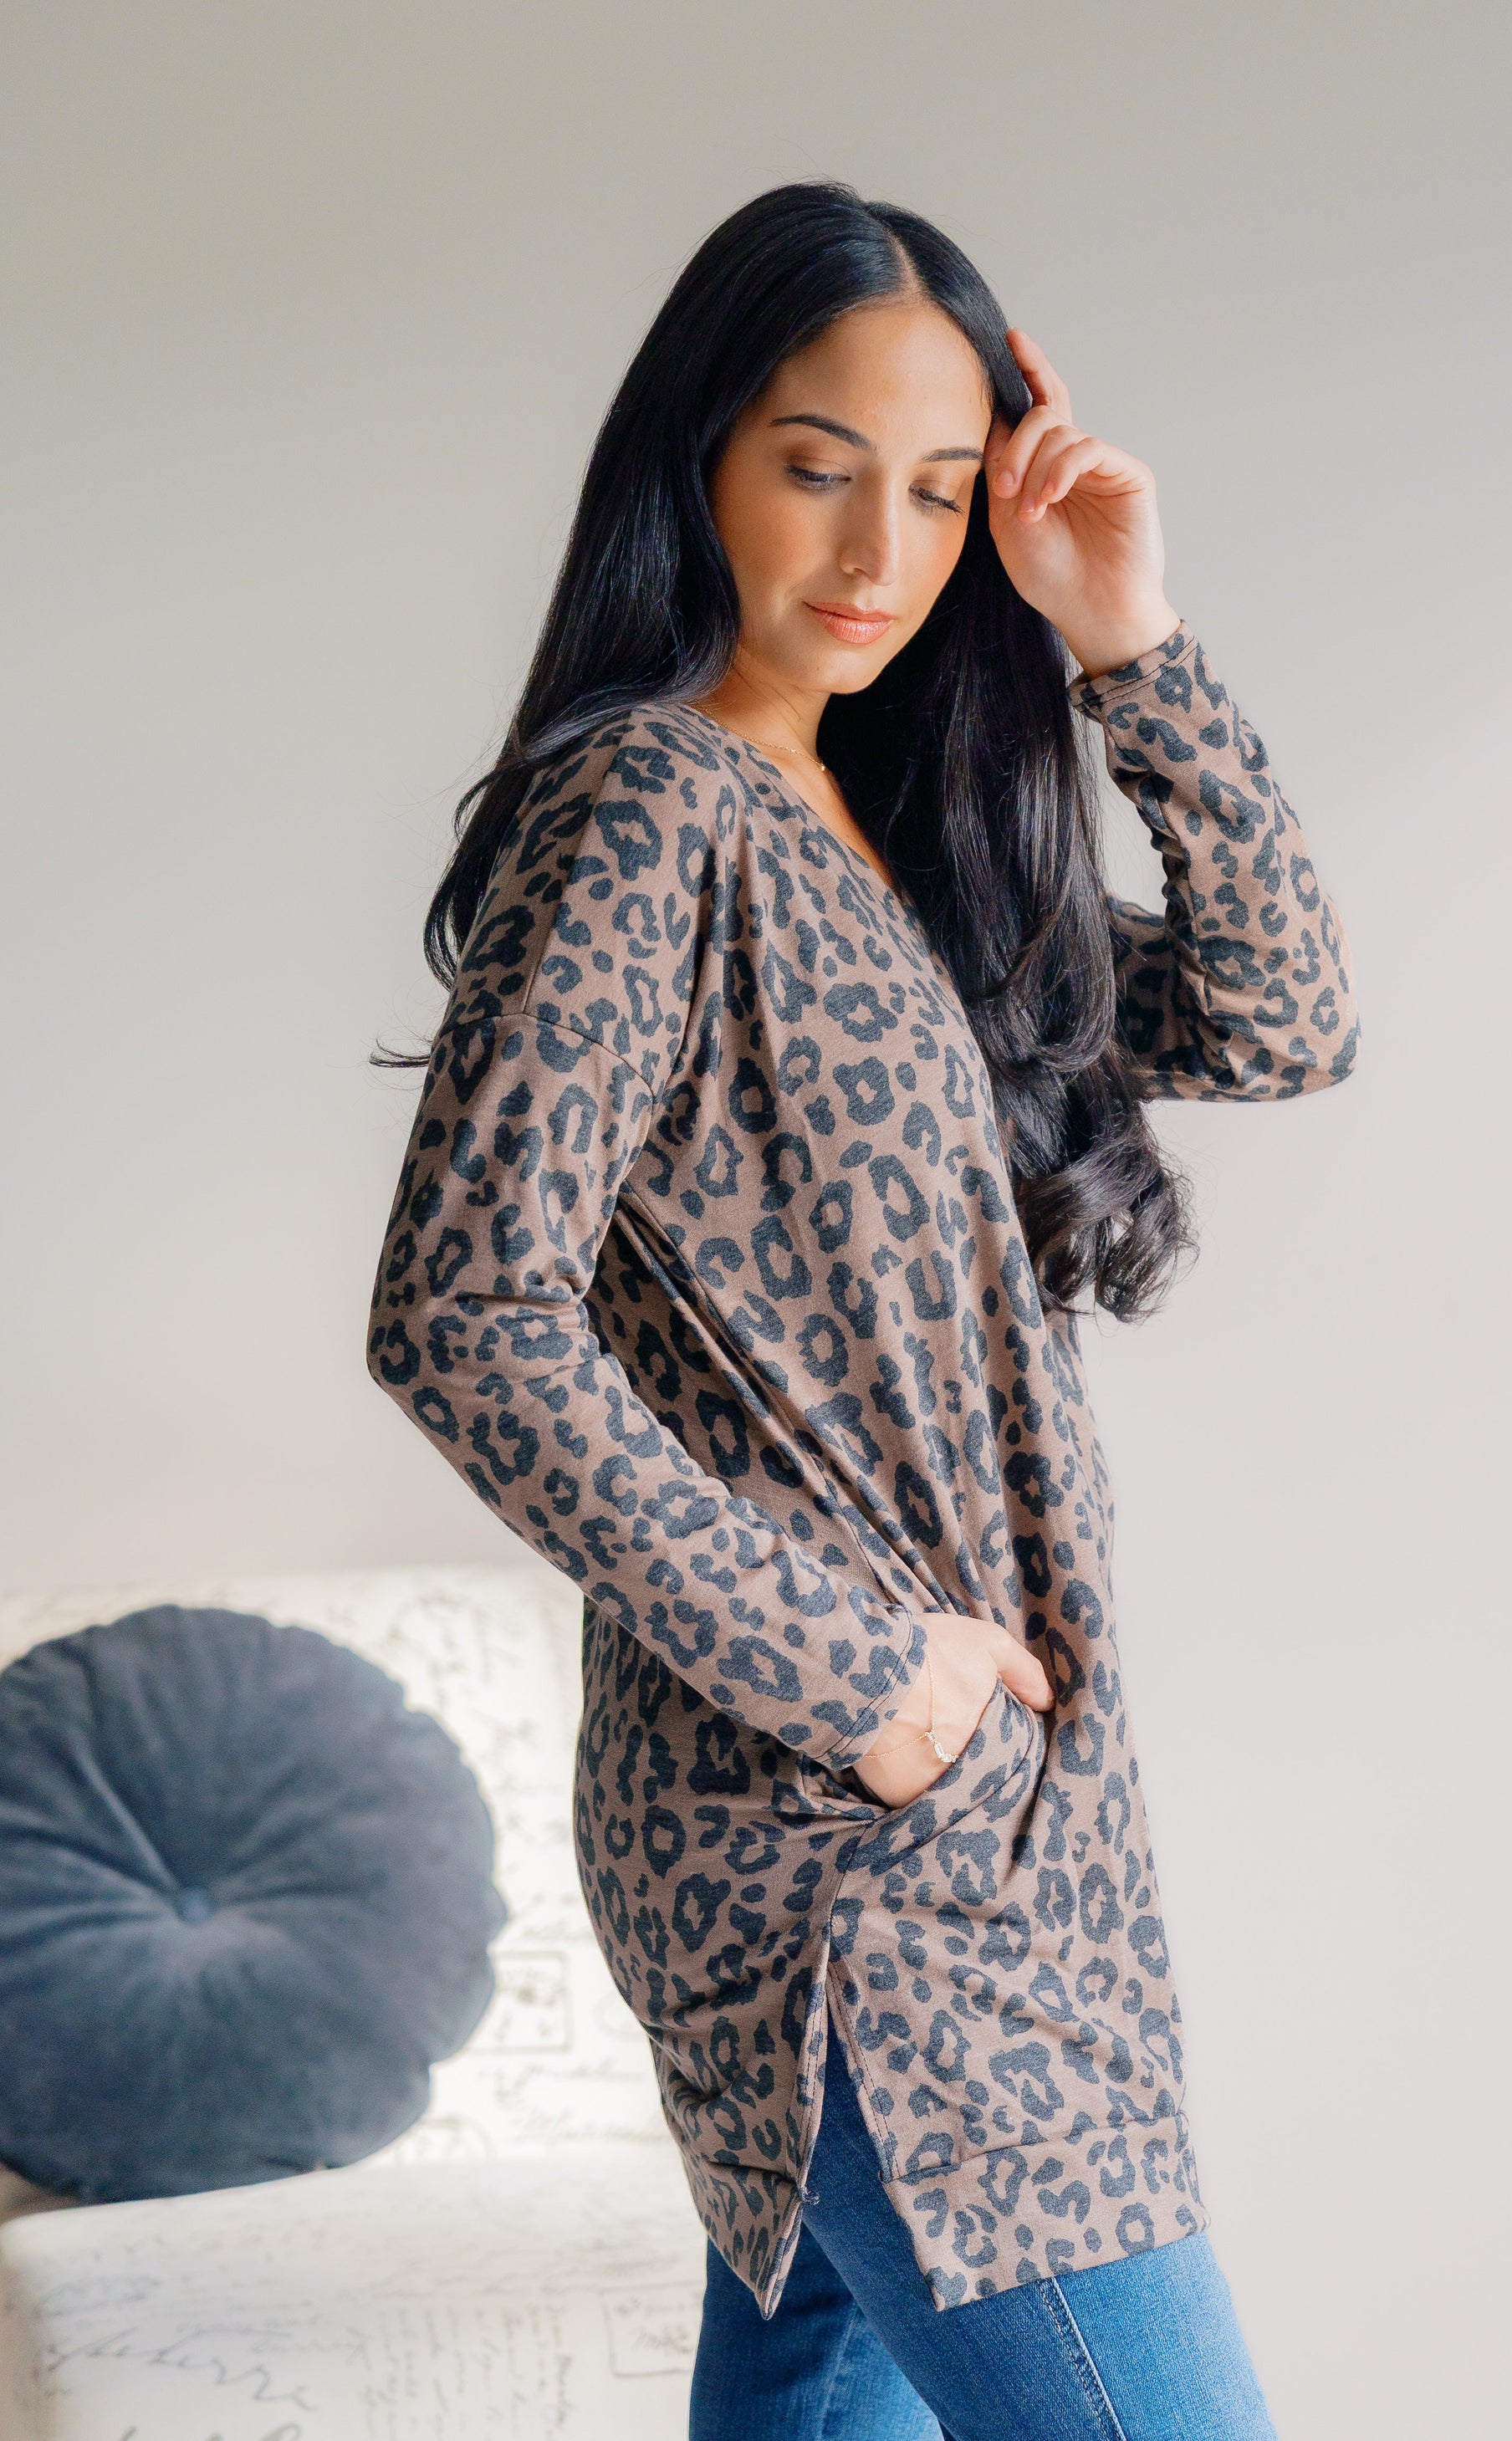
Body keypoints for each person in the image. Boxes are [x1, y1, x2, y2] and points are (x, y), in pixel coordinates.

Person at [365, 181, 1358, 2440]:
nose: (876, 549)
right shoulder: (648, 809)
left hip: (1005, 1828)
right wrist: (865, 1678)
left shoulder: (903, 840)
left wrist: (1129, 640)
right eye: (818, 466)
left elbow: (1282, 1016)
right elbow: (465, 1311)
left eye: (932, 488)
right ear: (697, 458)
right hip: (840, 1835)